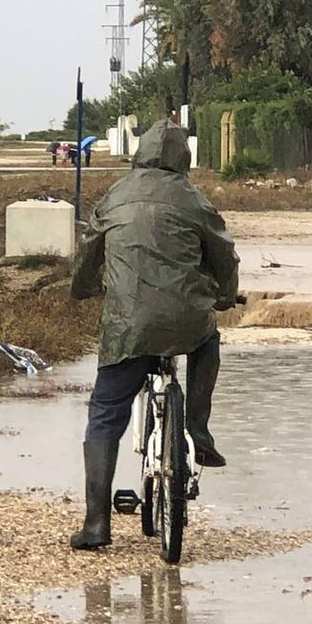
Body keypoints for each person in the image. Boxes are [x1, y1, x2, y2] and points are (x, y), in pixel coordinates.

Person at [70, 119, 239, 551]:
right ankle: (198, 429)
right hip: (186, 320)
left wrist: (86, 288)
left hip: (127, 325)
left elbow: (90, 250)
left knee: (106, 410)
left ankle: (95, 524)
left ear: (139, 152)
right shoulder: (194, 199)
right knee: (208, 340)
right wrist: (225, 296)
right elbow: (224, 253)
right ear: (185, 158)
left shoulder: (116, 195)